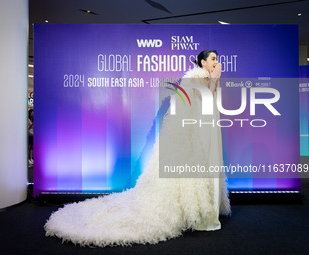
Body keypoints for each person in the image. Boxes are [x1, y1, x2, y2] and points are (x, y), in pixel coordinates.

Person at [44, 50, 231, 247]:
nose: (216, 62)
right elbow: (206, 100)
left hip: (204, 129)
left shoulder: (205, 77)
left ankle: (203, 209)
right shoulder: (197, 76)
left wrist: (215, 80)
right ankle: (194, 211)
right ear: (202, 62)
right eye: (212, 59)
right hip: (196, 133)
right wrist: (215, 78)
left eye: (217, 59)